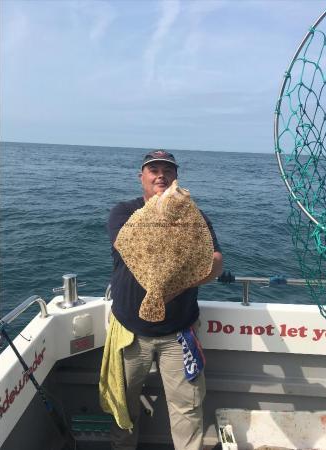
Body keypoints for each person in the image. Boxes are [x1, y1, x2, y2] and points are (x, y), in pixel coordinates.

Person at [107, 150, 223, 450]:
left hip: (178, 333)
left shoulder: (195, 215)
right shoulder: (124, 211)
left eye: (168, 171)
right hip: (129, 331)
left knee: (187, 410)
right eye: (153, 170)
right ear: (141, 177)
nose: (161, 175)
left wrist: (167, 291)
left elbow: (215, 263)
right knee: (123, 407)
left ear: (176, 178)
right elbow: (126, 246)